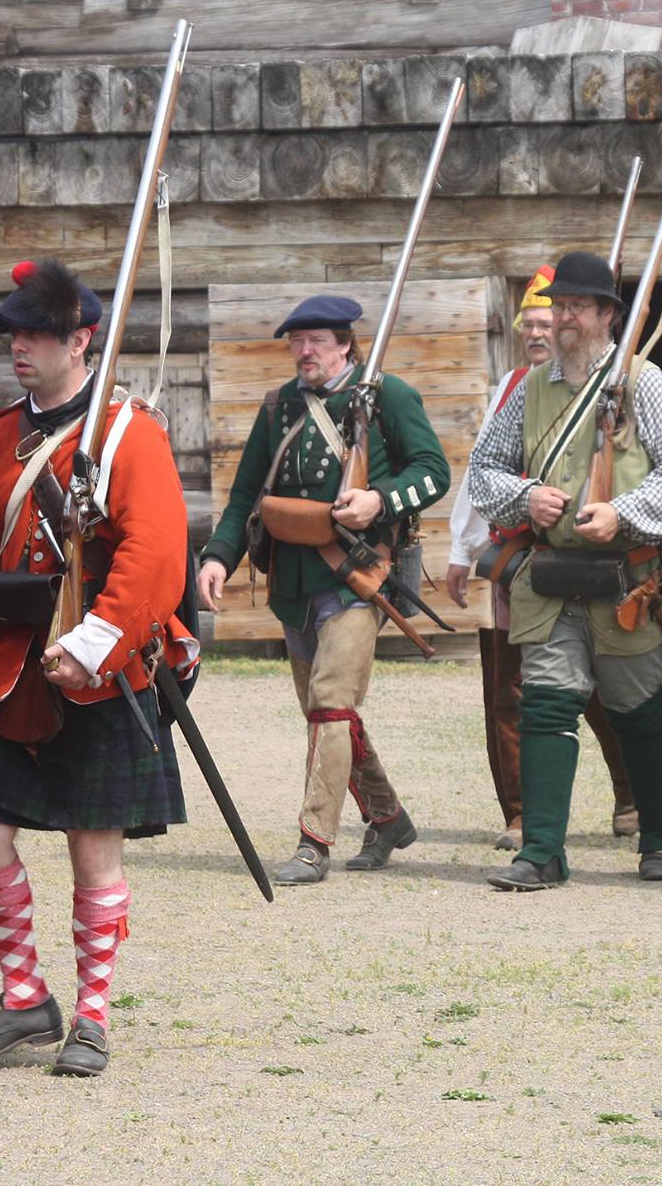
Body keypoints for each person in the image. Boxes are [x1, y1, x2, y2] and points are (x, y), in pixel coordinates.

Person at [0, 258, 192, 1079]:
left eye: (38, 332)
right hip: (13, 669)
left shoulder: (129, 434)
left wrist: (91, 640)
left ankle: (92, 1014)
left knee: (95, 852)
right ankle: (24, 994)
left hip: (102, 672)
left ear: (82, 339)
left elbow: (155, 555)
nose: (20, 345)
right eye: (14, 331)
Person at [467, 251, 662, 892]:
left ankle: (660, 837)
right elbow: (483, 470)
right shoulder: (530, 388)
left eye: (577, 307)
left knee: (638, 710)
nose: (564, 317)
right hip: (551, 577)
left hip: (627, 577)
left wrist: (623, 512)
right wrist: (525, 499)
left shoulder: (643, 382)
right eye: (558, 305)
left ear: (607, 316)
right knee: (545, 705)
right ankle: (542, 851)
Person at [198, 294, 449, 886]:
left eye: (315, 340)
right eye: (296, 340)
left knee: (331, 703)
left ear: (345, 344)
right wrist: (217, 558)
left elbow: (433, 470)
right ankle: (387, 818)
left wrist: (380, 498)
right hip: (294, 583)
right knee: (326, 713)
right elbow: (244, 498)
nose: (304, 350)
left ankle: (315, 843)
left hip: (360, 576)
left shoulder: (389, 395)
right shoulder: (280, 406)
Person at [446, 266, 633, 851]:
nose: (537, 331)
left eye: (547, 320)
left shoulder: (612, 384)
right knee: (509, 691)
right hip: (518, 562)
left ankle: (632, 796)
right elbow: (483, 472)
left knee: (603, 691)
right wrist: (460, 549)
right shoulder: (513, 388)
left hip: (588, 559)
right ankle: (523, 815)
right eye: (529, 322)